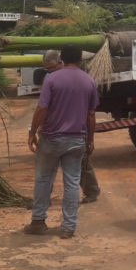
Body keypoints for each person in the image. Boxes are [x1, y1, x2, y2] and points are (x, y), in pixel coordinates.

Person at [25, 44, 98, 239]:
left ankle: (38, 222)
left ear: (62, 60)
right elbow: (91, 115)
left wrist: (33, 132)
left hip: (51, 138)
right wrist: (90, 139)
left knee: (43, 179)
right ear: (81, 60)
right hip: (76, 139)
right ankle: (68, 227)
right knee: (72, 183)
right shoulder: (89, 82)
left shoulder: (52, 79)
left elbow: (41, 109)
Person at [43, 50, 100, 204]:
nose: (49, 72)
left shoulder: (81, 79)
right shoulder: (50, 79)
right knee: (50, 169)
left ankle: (91, 192)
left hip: (75, 132)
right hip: (56, 132)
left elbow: (90, 113)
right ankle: (45, 197)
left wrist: (90, 138)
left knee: (81, 167)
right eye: (47, 69)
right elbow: (44, 107)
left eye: (52, 68)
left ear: (61, 62)